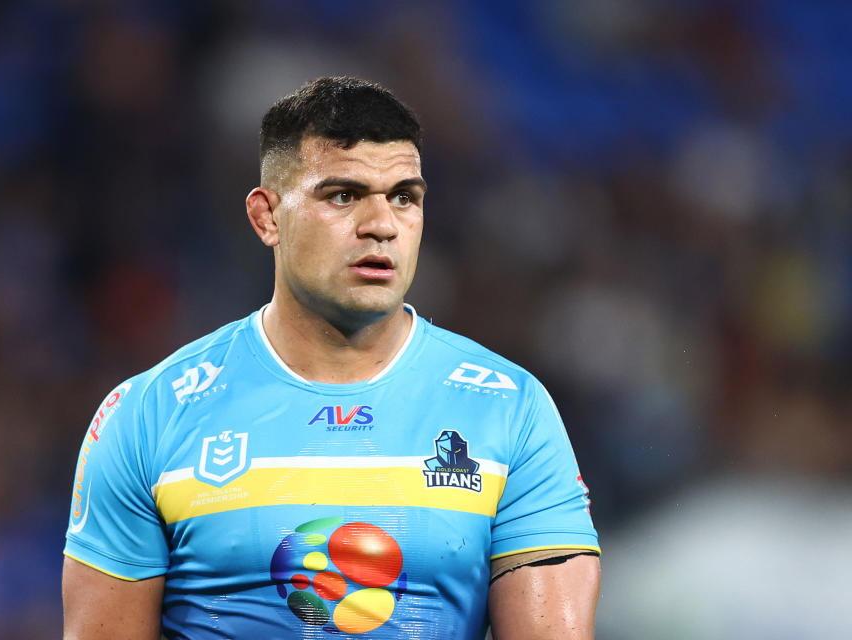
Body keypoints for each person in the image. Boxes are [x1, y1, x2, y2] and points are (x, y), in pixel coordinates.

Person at [62, 76, 600, 639]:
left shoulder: (508, 409)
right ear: (267, 216)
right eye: (343, 195)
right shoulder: (148, 413)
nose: (381, 226)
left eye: (403, 197)